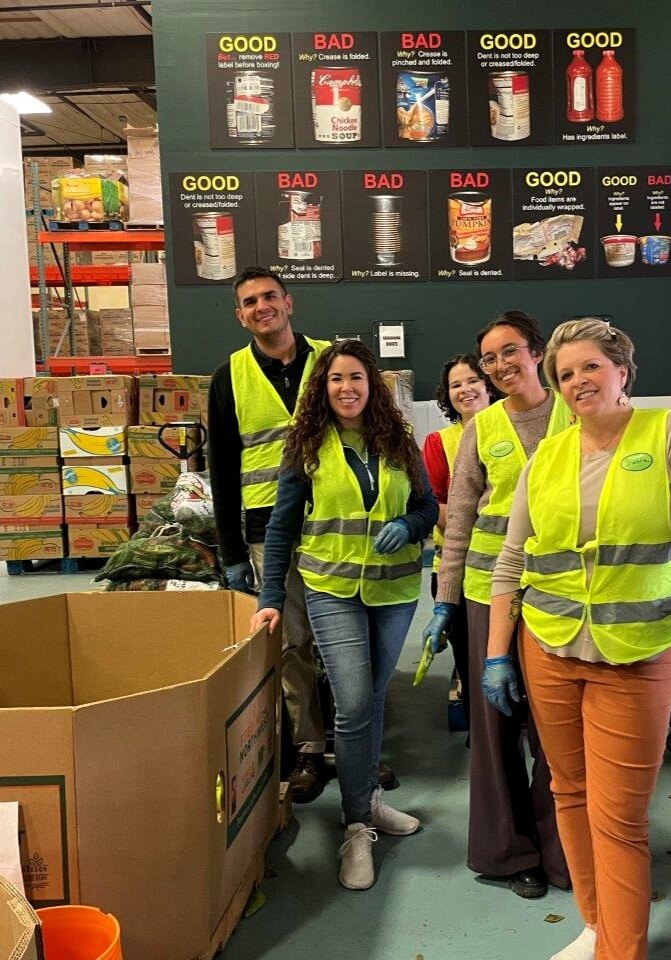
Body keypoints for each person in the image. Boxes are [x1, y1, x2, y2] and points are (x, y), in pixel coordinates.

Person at [484, 318, 671, 960]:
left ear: (621, 369)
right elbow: (512, 559)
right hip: (550, 647)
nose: (577, 381)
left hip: (633, 654)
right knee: (568, 792)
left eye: (590, 366)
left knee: (619, 819)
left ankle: (622, 951)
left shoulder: (669, 433)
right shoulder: (548, 456)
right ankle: (596, 926)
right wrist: (496, 653)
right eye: (565, 374)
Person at [249, 339, 438, 891]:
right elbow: (281, 525)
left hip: (395, 590)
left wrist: (412, 525)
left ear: (371, 384)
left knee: (374, 696)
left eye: (356, 377)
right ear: (322, 388)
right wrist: (269, 598)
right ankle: (357, 827)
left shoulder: (400, 443)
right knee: (354, 701)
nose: (347, 388)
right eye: (336, 379)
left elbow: (427, 506)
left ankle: (368, 802)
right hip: (331, 589)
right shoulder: (305, 445)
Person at [423, 311, 571, 899]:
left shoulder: (573, 409)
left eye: (510, 352)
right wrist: (445, 601)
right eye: (489, 358)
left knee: (556, 727)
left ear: (536, 351)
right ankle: (510, 855)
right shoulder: (481, 429)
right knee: (495, 726)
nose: (500, 365)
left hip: (563, 591)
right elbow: (457, 521)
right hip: (490, 593)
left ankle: (564, 851)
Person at [208, 266, 331, 803]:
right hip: (267, 528)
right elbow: (222, 469)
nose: (262, 307)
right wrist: (232, 550)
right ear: (240, 316)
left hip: (339, 520)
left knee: (348, 639)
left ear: (289, 302)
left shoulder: (333, 360)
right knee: (294, 640)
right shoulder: (227, 377)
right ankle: (308, 746)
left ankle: (356, 743)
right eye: (249, 302)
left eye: (269, 297)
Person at [421, 354, 498, 729]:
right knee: (471, 661)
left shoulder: (511, 433)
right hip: (457, 569)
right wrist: (490, 524)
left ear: (489, 386)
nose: (465, 390)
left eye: (473, 381)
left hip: (516, 568)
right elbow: (434, 505)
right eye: (456, 384)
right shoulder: (440, 443)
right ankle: (481, 737)